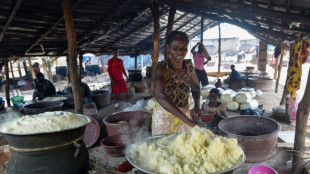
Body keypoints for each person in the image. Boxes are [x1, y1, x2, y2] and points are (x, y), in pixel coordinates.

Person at [153, 31, 203, 136]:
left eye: (183, 48)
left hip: (184, 112)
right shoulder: (163, 67)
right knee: (163, 147)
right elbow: (160, 96)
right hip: (164, 113)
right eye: (175, 48)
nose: (179, 52)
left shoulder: (189, 65)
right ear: (168, 48)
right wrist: (187, 120)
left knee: (185, 146)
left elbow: (195, 87)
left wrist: (197, 105)